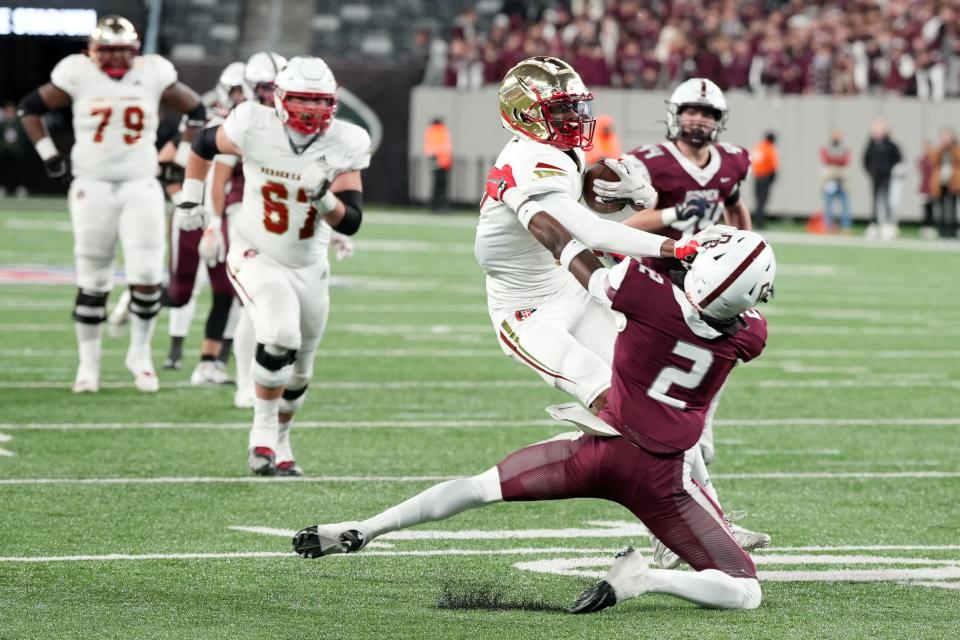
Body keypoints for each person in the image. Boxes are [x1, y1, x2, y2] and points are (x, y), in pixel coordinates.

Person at [293, 219, 776, 616]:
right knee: (744, 590)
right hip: (662, 480)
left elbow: (571, 249)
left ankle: (367, 527)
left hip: (599, 450)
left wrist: (537, 208)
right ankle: (646, 579)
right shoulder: (750, 335)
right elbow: (711, 298)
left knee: (479, 487)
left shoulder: (644, 294)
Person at [176, 56, 370, 476]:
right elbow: (201, 146)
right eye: (301, 99)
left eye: (319, 101)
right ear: (281, 98)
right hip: (255, 249)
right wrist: (190, 199)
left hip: (310, 263)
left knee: (302, 367)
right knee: (279, 332)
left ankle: (281, 441)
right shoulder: (252, 123)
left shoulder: (347, 140)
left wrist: (325, 199)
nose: (310, 109)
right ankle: (261, 434)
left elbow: (351, 221)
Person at [17, 15, 205, 393]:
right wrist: (49, 154)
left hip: (141, 183)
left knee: (149, 276)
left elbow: (196, 111)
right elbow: (29, 109)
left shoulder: (153, 73)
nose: (117, 57)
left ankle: (141, 356)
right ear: (92, 50)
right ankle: (89, 367)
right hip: (93, 183)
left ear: (136, 51)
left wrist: (177, 161)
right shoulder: (77, 73)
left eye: (124, 50)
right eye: (109, 50)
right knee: (92, 276)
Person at [588, 78, 752, 467]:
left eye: (707, 114)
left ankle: (701, 425)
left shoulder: (732, 160)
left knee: (720, 353)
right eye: (691, 112)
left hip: (705, 279)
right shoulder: (650, 161)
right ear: (675, 116)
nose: (698, 121)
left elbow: (734, 204)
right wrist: (671, 216)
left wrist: (748, 248)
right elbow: (623, 227)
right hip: (654, 274)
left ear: (720, 120)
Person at [163, 60, 249, 384]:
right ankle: (136, 299)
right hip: (202, 216)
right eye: (240, 90)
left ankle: (210, 362)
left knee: (227, 291)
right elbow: (175, 167)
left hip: (226, 217)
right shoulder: (213, 125)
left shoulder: (257, 124)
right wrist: (189, 206)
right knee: (181, 292)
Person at [863, 119, 902, 240]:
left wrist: (889, 169)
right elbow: (865, 159)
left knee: (887, 200)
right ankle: (874, 223)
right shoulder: (871, 144)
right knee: (875, 199)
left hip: (887, 176)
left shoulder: (891, 144)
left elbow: (899, 158)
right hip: (875, 176)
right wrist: (871, 170)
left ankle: (888, 224)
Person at [928, 127, 960, 239]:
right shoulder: (939, 150)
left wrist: (952, 147)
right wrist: (942, 147)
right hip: (940, 182)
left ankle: (953, 230)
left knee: (952, 207)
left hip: (953, 182)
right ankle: (941, 230)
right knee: (940, 207)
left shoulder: (956, 149)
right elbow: (933, 160)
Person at [820, 130, 852, 233]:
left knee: (845, 205)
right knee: (828, 205)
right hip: (829, 179)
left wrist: (834, 160)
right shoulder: (826, 147)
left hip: (842, 180)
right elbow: (826, 159)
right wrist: (838, 160)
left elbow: (846, 160)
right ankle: (828, 227)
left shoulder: (845, 148)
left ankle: (846, 227)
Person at [0, 100, 29, 198]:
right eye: (7, 111)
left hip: (17, 152)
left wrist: (19, 147)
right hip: (4, 152)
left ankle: (20, 188)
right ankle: (3, 187)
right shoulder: (2, 124)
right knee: (4, 170)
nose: (9, 114)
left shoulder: (19, 124)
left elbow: (23, 138)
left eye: (11, 111)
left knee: (18, 170)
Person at [749, 131, 778, 228]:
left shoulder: (758, 147)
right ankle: (760, 223)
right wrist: (771, 182)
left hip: (757, 177)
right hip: (765, 178)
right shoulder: (769, 149)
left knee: (758, 201)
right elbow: (773, 167)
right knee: (763, 201)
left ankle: (757, 221)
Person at [423, 117, 452, 212]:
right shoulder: (442, 130)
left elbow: (430, 148)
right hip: (443, 162)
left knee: (437, 185)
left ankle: (435, 206)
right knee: (442, 186)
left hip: (437, 160)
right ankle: (441, 206)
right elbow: (445, 148)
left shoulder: (431, 130)